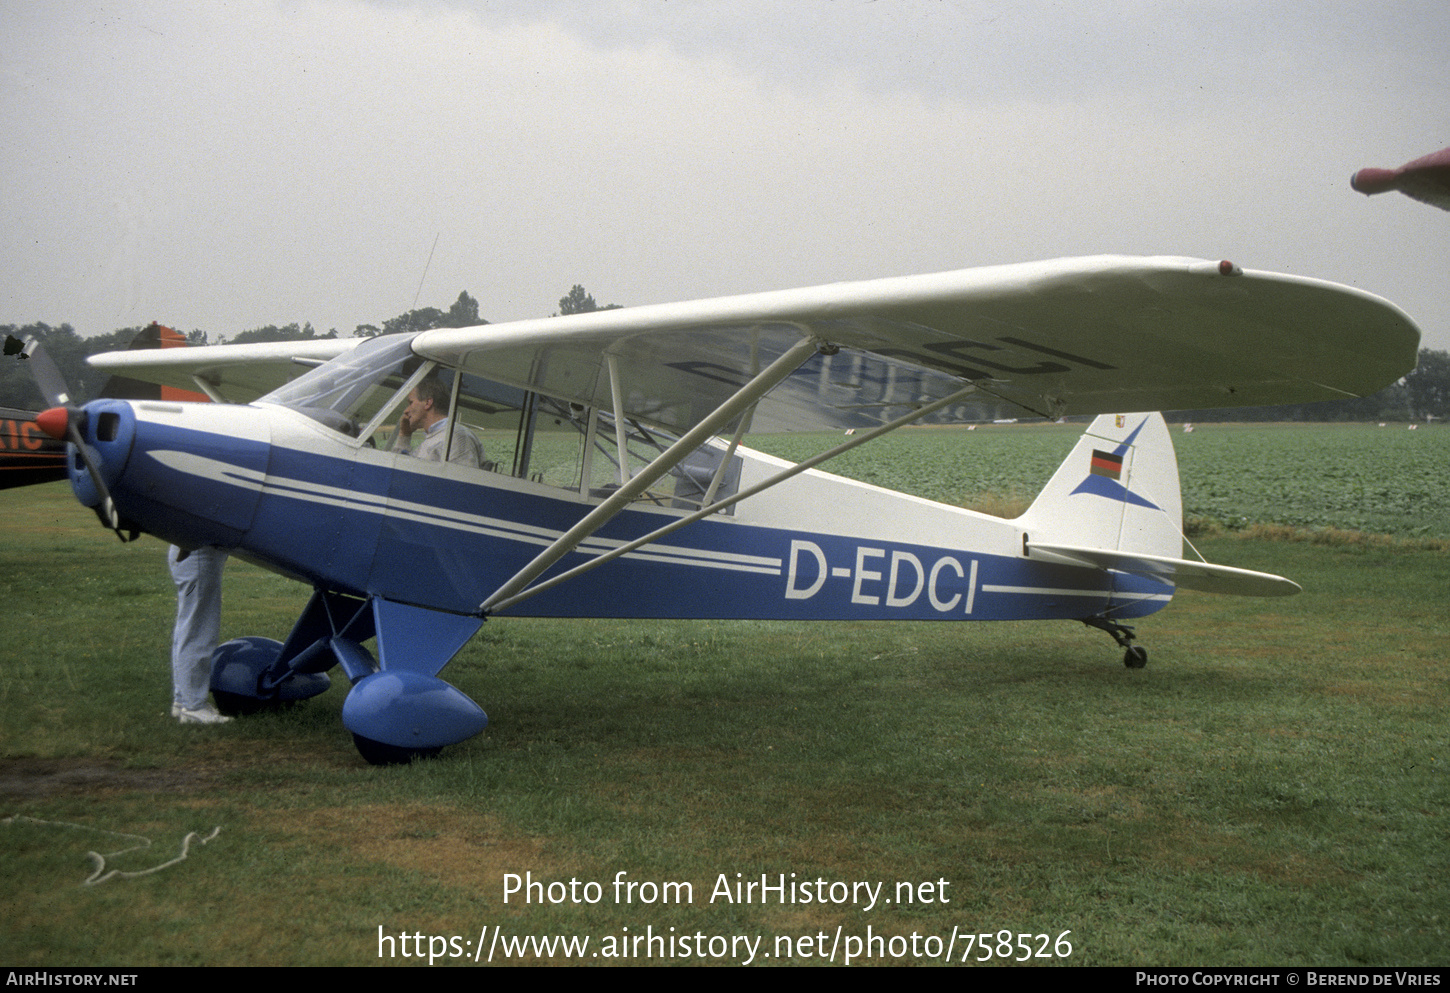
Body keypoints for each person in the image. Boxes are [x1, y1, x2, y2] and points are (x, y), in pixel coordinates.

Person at [167, 545, 232, 725]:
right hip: (198, 559)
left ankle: (183, 700)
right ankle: (194, 707)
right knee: (199, 631)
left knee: (189, 626)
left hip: (191, 558)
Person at [391, 376, 485, 467]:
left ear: (428, 403)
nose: (406, 411)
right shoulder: (434, 438)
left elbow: (463, 480)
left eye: (411, 403)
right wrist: (404, 436)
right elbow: (399, 470)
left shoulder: (457, 437)